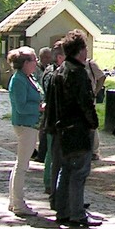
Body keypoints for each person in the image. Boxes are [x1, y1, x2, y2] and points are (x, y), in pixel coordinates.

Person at [44, 29, 100, 227]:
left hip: (61, 128)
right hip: (77, 129)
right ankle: (77, 213)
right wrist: (93, 123)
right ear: (79, 51)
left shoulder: (58, 72)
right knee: (78, 173)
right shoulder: (78, 74)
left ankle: (62, 210)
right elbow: (85, 103)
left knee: (64, 171)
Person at [7, 46, 44, 217]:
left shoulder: (29, 78)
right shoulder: (18, 80)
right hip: (25, 125)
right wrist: (39, 108)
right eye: (33, 60)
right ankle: (19, 203)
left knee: (20, 164)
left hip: (31, 124)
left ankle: (13, 201)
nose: (36, 63)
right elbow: (20, 107)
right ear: (25, 63)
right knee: (22, 165)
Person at [43, 40, 65, 203]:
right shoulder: (52, 75)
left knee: (53, 154)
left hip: (52, 119)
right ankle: (50, 184)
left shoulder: (51, 72)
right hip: (54, 120)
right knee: (52, 154)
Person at [32, 46, 53, 161]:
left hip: (46, 101)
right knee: (37, 127)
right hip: (38, 101)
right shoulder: (35, 69)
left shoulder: (49, 68)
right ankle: (35, 151)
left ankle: (41, 151)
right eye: (48, 57)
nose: (50, 59)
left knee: (42, 127)